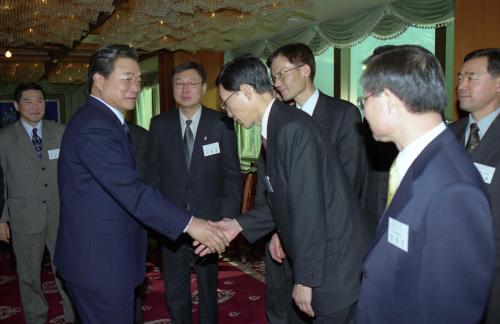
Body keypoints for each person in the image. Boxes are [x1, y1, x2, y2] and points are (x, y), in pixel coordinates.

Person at [54, 44, 228, 324]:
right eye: (127, 78)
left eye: (138, 80)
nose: (135, 86)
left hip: (106, 259)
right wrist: (192, 224)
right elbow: (133, 190)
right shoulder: (95, 126)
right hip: (100, 264)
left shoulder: (107, 121)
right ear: (99, 80)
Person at [201, 54, 367, 323]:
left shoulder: (291, 129)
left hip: (333, 266)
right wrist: (237, 225)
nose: (227, 113)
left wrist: (305, 279)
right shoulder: (280, 125)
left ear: (246, 91)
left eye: (226, 103)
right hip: (324, 260)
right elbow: (284, 200)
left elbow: (308, 208)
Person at [357, 45, 494, 323]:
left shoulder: (453, 190)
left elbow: (449, 312)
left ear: (388, 100)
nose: (364, 110)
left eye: (365, 100)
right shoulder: (420, 160)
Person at [263, 43, 367, 323]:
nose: (277, 83)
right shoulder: (279, 122)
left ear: (305, 70)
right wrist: (280, 229)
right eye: (273, 77)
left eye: (282, 74)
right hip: (294, 242)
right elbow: (278, 187)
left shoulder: (342, 115)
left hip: (331, 247)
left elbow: (348, 184)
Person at [146, 61, 242, 324]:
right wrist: (158, 219)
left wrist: (225, 221)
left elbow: (233, 177)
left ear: (202, 87)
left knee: (208, 288)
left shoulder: (221, 123)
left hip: (210, 223)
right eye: (178, 83)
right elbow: (152, 176)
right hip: (173, 223)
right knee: (175, 288)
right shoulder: (159, 124)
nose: (184, 88)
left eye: (191, 83)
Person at [0, 82, 75, 324]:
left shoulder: (62, 132)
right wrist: (2, 218)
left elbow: (74, 175)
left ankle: (73, 316)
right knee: (28, 275)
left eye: (40, 101)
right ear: (16, 106)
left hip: (60, 216)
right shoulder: (4, 138)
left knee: (66, 271)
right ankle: (35, 317)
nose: (35, 106)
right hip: (23, 216)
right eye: (28, 101)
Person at [449, 47, 500, 324]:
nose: (461, 86)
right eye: (459, 78)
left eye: (471, 78)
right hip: (446, 274)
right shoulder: (447, 135)